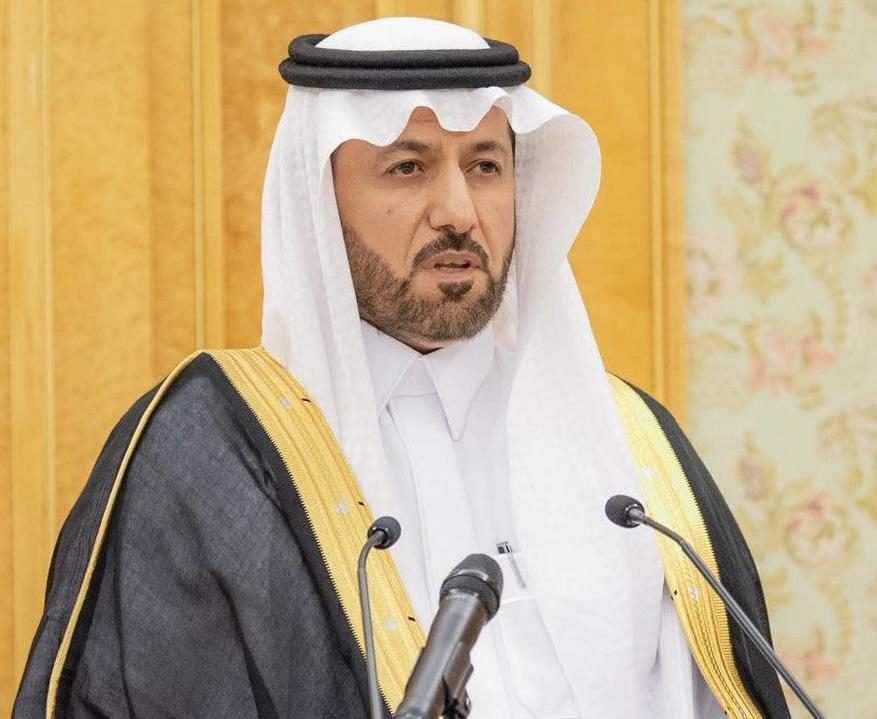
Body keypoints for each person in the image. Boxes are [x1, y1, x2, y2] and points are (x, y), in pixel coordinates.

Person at [14, 17, 790, 719]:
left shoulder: (627, 450)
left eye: (485, 166)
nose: (458, 211)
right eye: (407, 167)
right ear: (319, 201)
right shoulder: (216, 452)